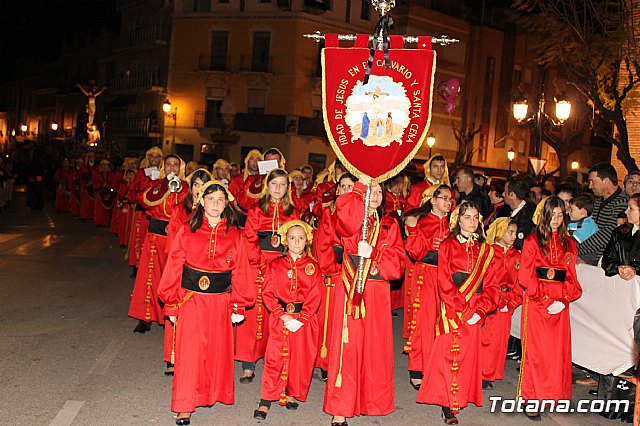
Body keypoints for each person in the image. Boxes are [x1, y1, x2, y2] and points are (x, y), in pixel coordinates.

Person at [158, 181, 255, 425]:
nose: (215, 204)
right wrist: (171, 303)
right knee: (189, 354)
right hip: (191, 300)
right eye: (210, 199)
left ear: (226, 204)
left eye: (220, 199)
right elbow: (173, 267)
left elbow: (241, 271)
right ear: (201, 201)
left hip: (221, 303)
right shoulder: (186, 230)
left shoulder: (235, 234)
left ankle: (211, 394)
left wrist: (238, 304)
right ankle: (184, 405)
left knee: (215, 353)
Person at [323, 180, 405, 426]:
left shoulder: (390, 225)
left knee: (373, 349)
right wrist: (360, 188)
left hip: (377, 293)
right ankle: (341, 408)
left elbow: (398, 263)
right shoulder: (352, 221)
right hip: (350, 289)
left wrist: (374, 254)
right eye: (371, 191)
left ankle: (372, 401)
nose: (376, 195)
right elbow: (345, 216)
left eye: (379, 191)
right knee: (346, 348)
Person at [416, 201, 499, 425]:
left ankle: (459, 397)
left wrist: (480, 310)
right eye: (467, 217)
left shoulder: (488, 250)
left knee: (466, 357)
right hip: (453, 308)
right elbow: (444, 281)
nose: (472, 222)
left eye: (475, 217)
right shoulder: (448, 245)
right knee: (448, 355)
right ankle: (447, 404)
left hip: (476, 309)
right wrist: (462, 308)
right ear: (458, 220)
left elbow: (492, 286)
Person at [516, 196, 582, 420]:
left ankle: (553, 396)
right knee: (536, 353)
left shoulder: (570, 243)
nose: (556, 219)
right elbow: (526, 276)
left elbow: (572, 278)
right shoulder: (532, 241)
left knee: (557, 353)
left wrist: (563, 300)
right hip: (537, 302)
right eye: (552, 214)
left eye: (560, 214)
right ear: (545, 215)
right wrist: (545, 300)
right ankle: (532, 398)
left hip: (560, 304)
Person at [236, 168, 299, 383]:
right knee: (255, 315)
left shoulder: (292, 211)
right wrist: (263, 265)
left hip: (283, 266)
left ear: (287, 188)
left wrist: (283, 264)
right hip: (258, 265)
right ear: (267, 186)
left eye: (282, 184)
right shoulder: (256, 210)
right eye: (274, 184)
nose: (278, 189)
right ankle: (249, 363)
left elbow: (297, 240)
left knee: (279, 313)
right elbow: (250, 240)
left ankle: (276, 362)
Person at [254, 220, 321, 420]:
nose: (297, 242)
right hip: (280, 319)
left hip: (304, 322)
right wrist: (281, 314)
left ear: (307, 241)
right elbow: (267, 293)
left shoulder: (313, 266)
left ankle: (290, 392)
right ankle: (266, 398)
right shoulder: (276, 265)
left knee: (298, 358)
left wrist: (302, 318)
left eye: (301, 238)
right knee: (274, 358)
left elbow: (315, 295)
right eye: (292, 238)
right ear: (286, 241)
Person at [128, 155, 188, 333]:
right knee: (149, 279)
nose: (171, 168)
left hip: (175, 238)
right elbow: (144, 201)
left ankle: (168, 316)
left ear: (180, 168)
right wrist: (163, 186)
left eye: (175, 165)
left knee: (171, 278)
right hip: (155, 237)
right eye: (168, 164)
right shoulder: (156, 184)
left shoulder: (184, 187)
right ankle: (145, 318)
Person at [403, 184, 453, 391]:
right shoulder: (422, 222)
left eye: (451, 199)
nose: (448, 203)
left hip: (445, 277)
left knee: (441, 322)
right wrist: (415, 231)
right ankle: (417, 368)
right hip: (426, 275)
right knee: (423, 322)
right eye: (444, 198)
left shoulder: (453, 225)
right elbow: (416, 251)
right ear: (433, 200)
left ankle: (435, 365)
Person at [312, 172, 358, 382]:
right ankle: (324, 361)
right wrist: (332, 268)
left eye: (351, 187)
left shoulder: (361, 215)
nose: (347, 191)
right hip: (335, 273)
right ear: (338, 190)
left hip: (353, 275)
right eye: (344, 186)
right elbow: (323, 244)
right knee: (328, 321)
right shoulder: (329, 214)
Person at [480, 217, 521, 390]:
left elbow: (519, 282)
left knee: (501, 339)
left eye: (515, 233)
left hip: (507, 300)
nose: (513, 236)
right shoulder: (489, 252)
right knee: (487, 338)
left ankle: (492, 372)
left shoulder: (516, 255)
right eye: (509, 232)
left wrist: (512, 301)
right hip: (491, 299)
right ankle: (482, 372)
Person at [578, 163, 628, 265]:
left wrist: (576, 250)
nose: (590, 186)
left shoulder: (622, 202)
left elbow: (608, 233)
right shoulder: (598, 201)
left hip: (604, 264)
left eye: (593, 181)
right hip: (588, 260)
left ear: (606, 181)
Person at [127, 147, 163, 272]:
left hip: (158, 214)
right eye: (152, 156)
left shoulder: (164, 174)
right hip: (142, 212)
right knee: (139, 238)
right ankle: (136, 266)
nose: (154, 159)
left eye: (157, 156)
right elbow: (132, 190)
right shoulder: (141, 173)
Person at [503, 176, 536, 251]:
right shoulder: (512, 212)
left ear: (512, 195)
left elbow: (520, 244)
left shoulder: (526, 216)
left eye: (505, 192)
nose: (502, 194)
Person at [92, 159, 114, 227]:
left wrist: (108, 186)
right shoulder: (96, 173)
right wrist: (101, 185)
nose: (105, 166)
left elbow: (112, 181)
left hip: (107, 193)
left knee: (106, 209)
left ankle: (105, 221)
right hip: (99, 193)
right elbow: (94, 182)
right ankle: (99, 222)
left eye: (106, 165)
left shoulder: (109, 174)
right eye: (103, 165)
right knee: (99, 209)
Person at [79, 152, 98, 221]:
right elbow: (83, 175)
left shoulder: (97, 166)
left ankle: (91, 216)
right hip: (85, 187)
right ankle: (84, 216)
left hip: (94, 187)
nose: (91, 158)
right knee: (85, 202)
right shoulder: (84, 167)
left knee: (92, 202)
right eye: (90, 157)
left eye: (92, 156)